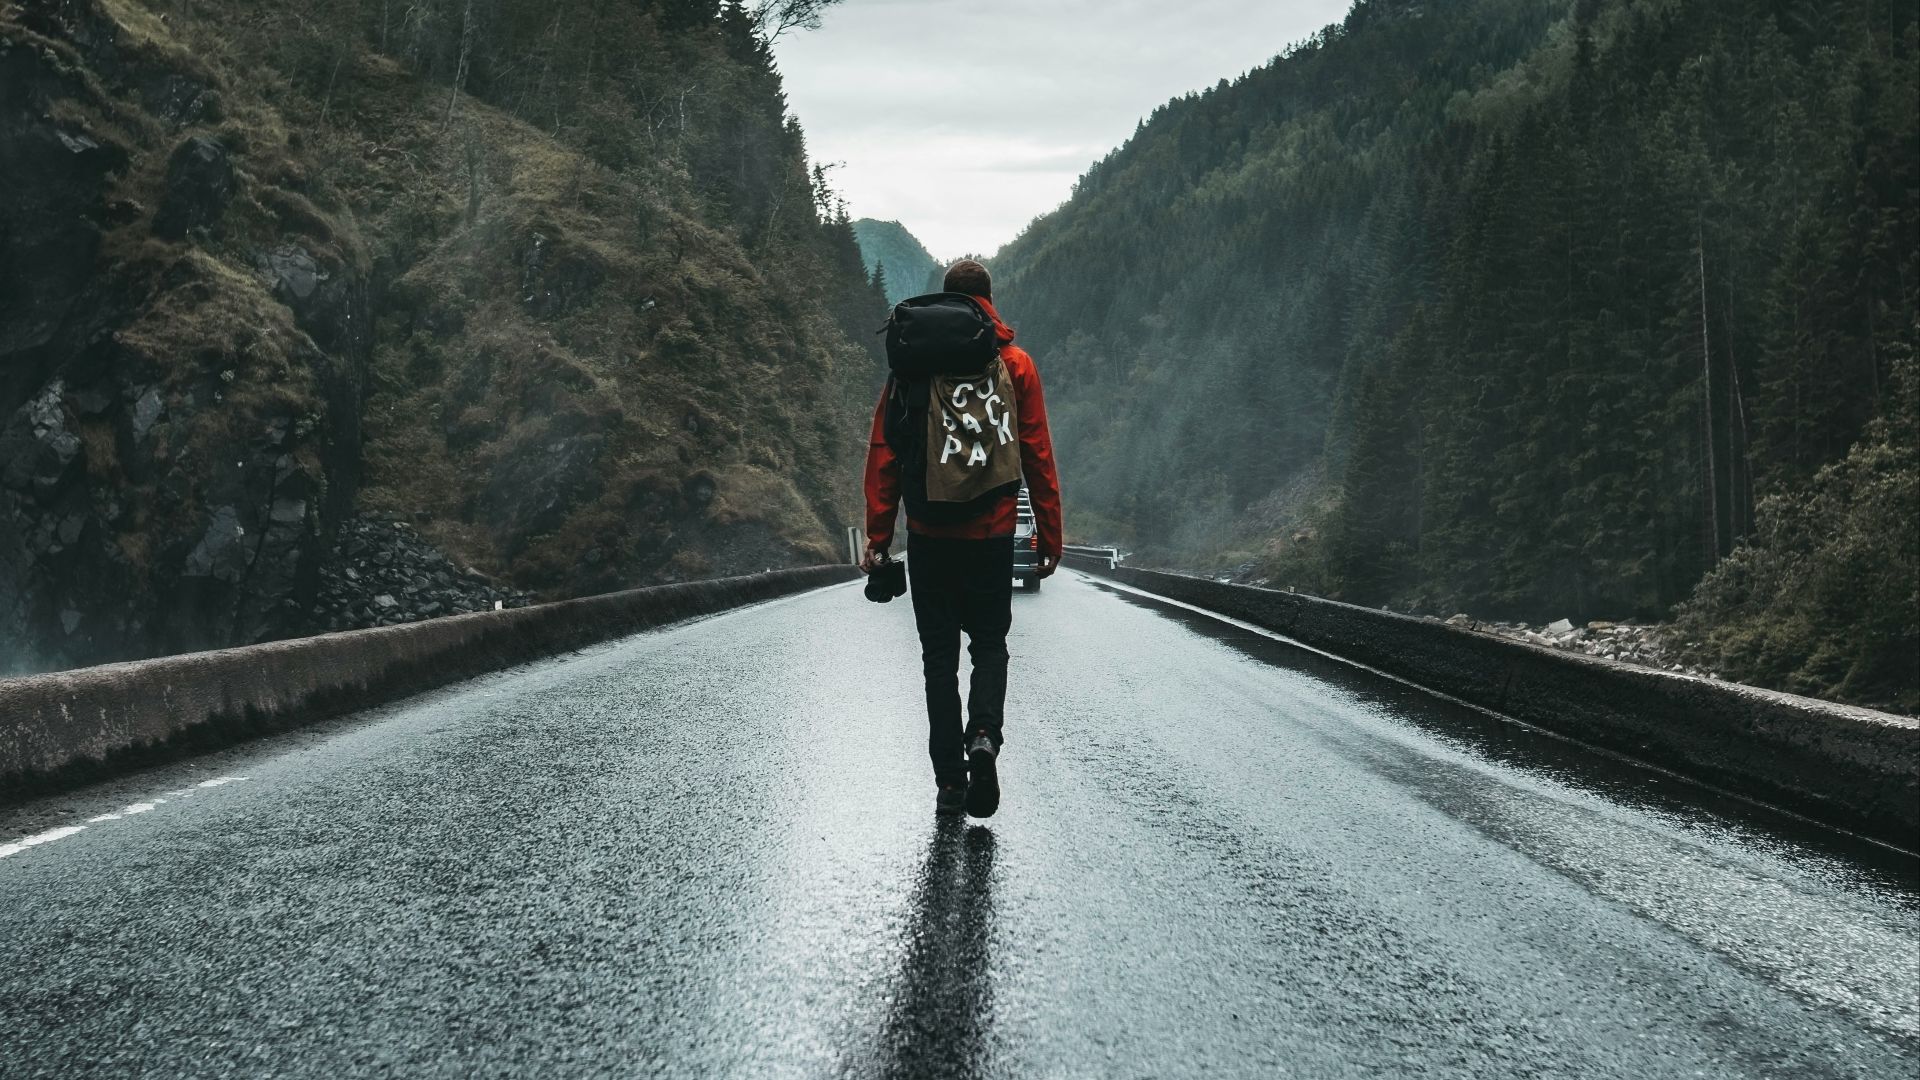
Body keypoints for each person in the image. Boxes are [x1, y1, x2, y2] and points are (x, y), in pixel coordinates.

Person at [861, 259, 1064, 818]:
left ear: (947, 298)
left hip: (928, 536)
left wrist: (879, 535)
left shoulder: (911, 364)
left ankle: (950, 783)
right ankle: (984, 736)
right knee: (990, 645)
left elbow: (885, 452)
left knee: (938, 660)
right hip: (992, 535)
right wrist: (1049, 533)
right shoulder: (1015, 364)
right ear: (989, 299)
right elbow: (1037, 452)